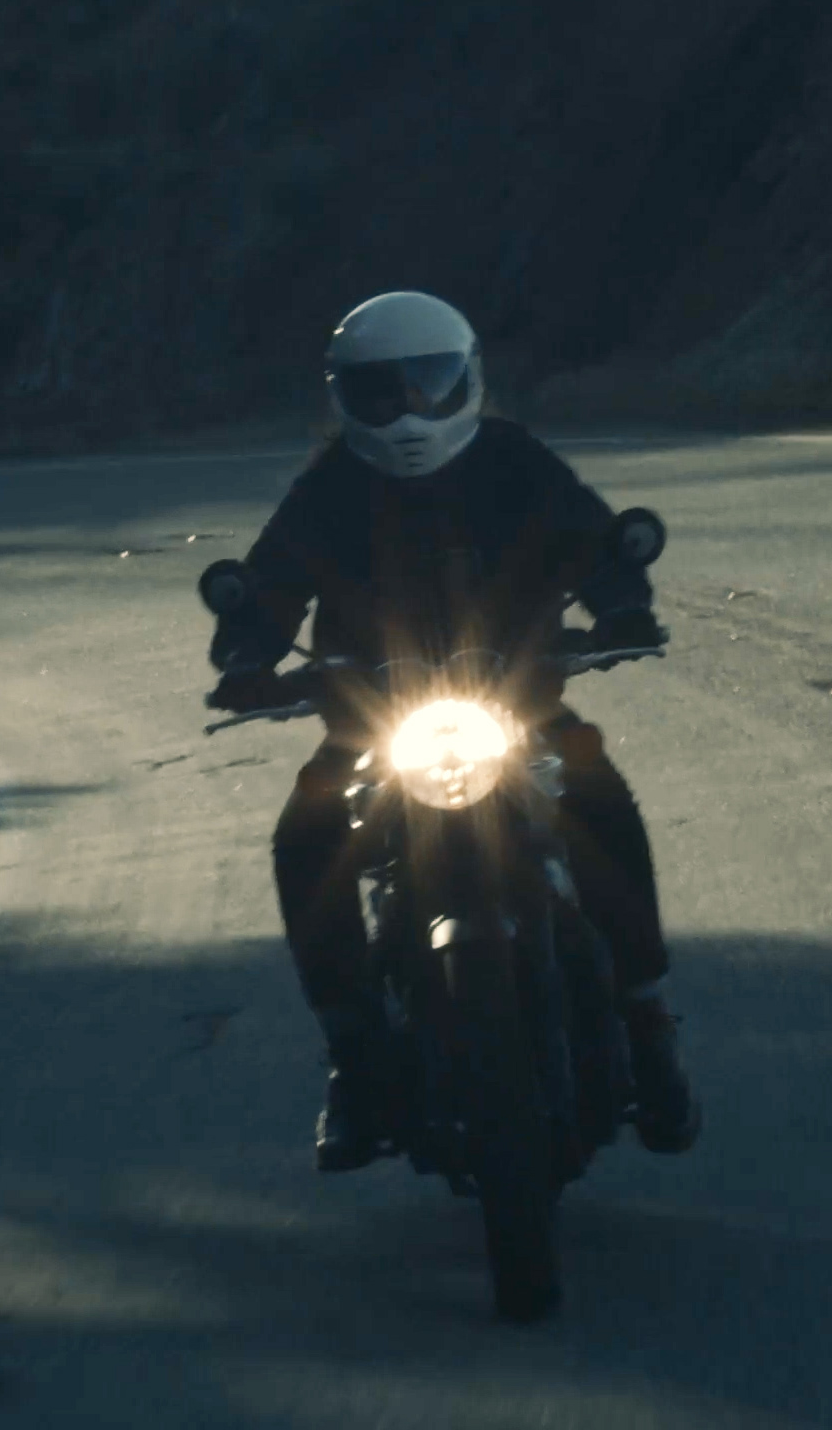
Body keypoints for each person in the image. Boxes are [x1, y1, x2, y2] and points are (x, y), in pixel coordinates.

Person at [206, 289, 701, 1170]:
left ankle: (647, 1019)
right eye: (380, 393)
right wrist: (249, 651)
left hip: (518, 709)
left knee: (600, 801)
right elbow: (274, 577)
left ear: (465, 380)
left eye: (425, 386)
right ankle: (353, 1055)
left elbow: (588, 540)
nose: (406, 413)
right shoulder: (330, 488)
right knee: (306, 838)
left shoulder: (512, 461)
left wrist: (620, 603)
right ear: (344, 399)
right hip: (373, 726)